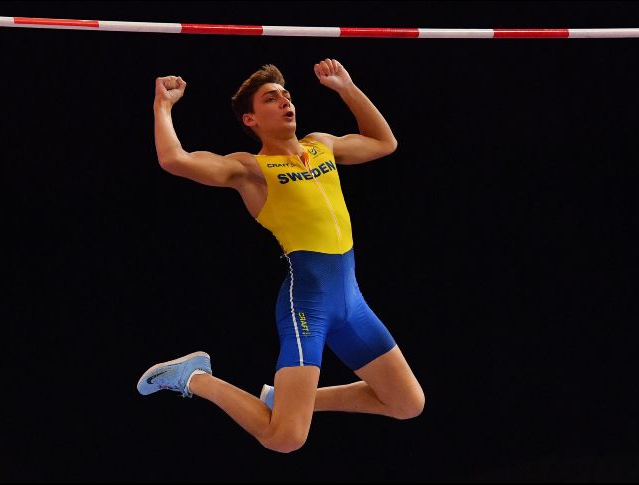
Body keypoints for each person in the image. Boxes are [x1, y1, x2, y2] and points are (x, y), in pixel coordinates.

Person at [138, 58, 425, 453]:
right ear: (251, 119)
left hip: (352, 303)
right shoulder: (251, 169)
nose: (285, 101)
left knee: (407, 403)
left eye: (286, 95)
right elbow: (175, 160)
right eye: (271, 98)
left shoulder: (321, 145)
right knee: (285, 438)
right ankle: (195, 377)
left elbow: (384, 142)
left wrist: (347, 88)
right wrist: (163, 105)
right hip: (307, 305)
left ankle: (284, 400)